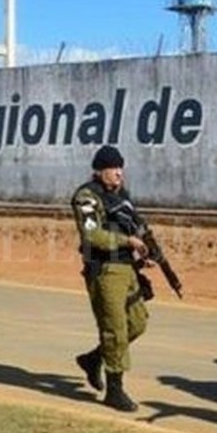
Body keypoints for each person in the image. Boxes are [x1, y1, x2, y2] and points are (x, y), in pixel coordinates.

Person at [71, 145, 150, 412]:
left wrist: (143, 250)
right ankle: (115, 390)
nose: (119, 174)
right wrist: (127, 241)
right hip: (105, 270)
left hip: (127, 269)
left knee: (137, 323)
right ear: (99, 171)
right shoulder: (86, 197)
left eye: (120, 168)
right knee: (114, 328)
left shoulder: (121, 196)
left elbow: (134, 225)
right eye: (113, 169)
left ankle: (94, 359)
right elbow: (93, 236)